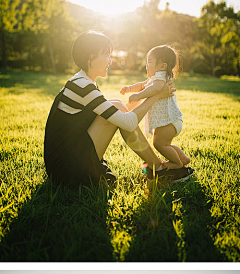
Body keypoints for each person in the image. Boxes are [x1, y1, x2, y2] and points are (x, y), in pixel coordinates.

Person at [44, 30, 178, 188]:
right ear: (91, 57)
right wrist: (156, 95)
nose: (110, 61)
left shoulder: (83, 82)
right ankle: (158, 168)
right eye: (106, 55)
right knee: (117, 107)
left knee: (117, 105)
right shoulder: (82, 86)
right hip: (66, 170)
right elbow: (127, 123)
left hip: (65, 162)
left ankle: (156, 166)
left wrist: (145, 96)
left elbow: (121, 114)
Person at [120, 44, 193, 179]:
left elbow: (155, 88)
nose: (146, 65)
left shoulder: (160, 77)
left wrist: (138, 96)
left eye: (149, 61)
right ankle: (183, 158)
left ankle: (176, 163)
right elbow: (142, 85)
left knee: (158, 144)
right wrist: (130, 88)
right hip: (170, 119)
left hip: (169, 120)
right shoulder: (154, 78)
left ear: (162, 66)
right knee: (166, 144)